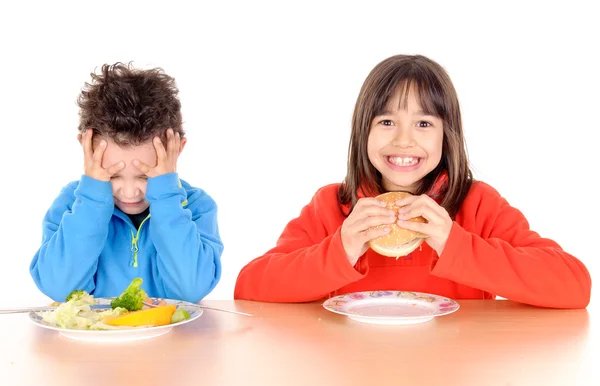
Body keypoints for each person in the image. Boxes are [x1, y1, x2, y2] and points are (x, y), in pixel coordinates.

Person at [234, 54, 591, 309]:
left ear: (446, 137)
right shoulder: (333, 205)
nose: (404, 140)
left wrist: (454, 243)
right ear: (363, 132)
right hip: (355, 371)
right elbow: (250, 286)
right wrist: (340, 249)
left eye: (424, 124)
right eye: (387, 122)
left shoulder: (477, 203)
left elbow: (574, 285)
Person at [30, 62, 223, 303]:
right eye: (112, 177)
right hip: (92, 340)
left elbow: (190, 289)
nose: (130, 192)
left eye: (146, 177)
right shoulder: (73, 203)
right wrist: (92, 197)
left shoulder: (195, 206)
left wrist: (165, 194)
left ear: (177, 151)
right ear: (87, 150)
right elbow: (60, 289)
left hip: (173, 341)